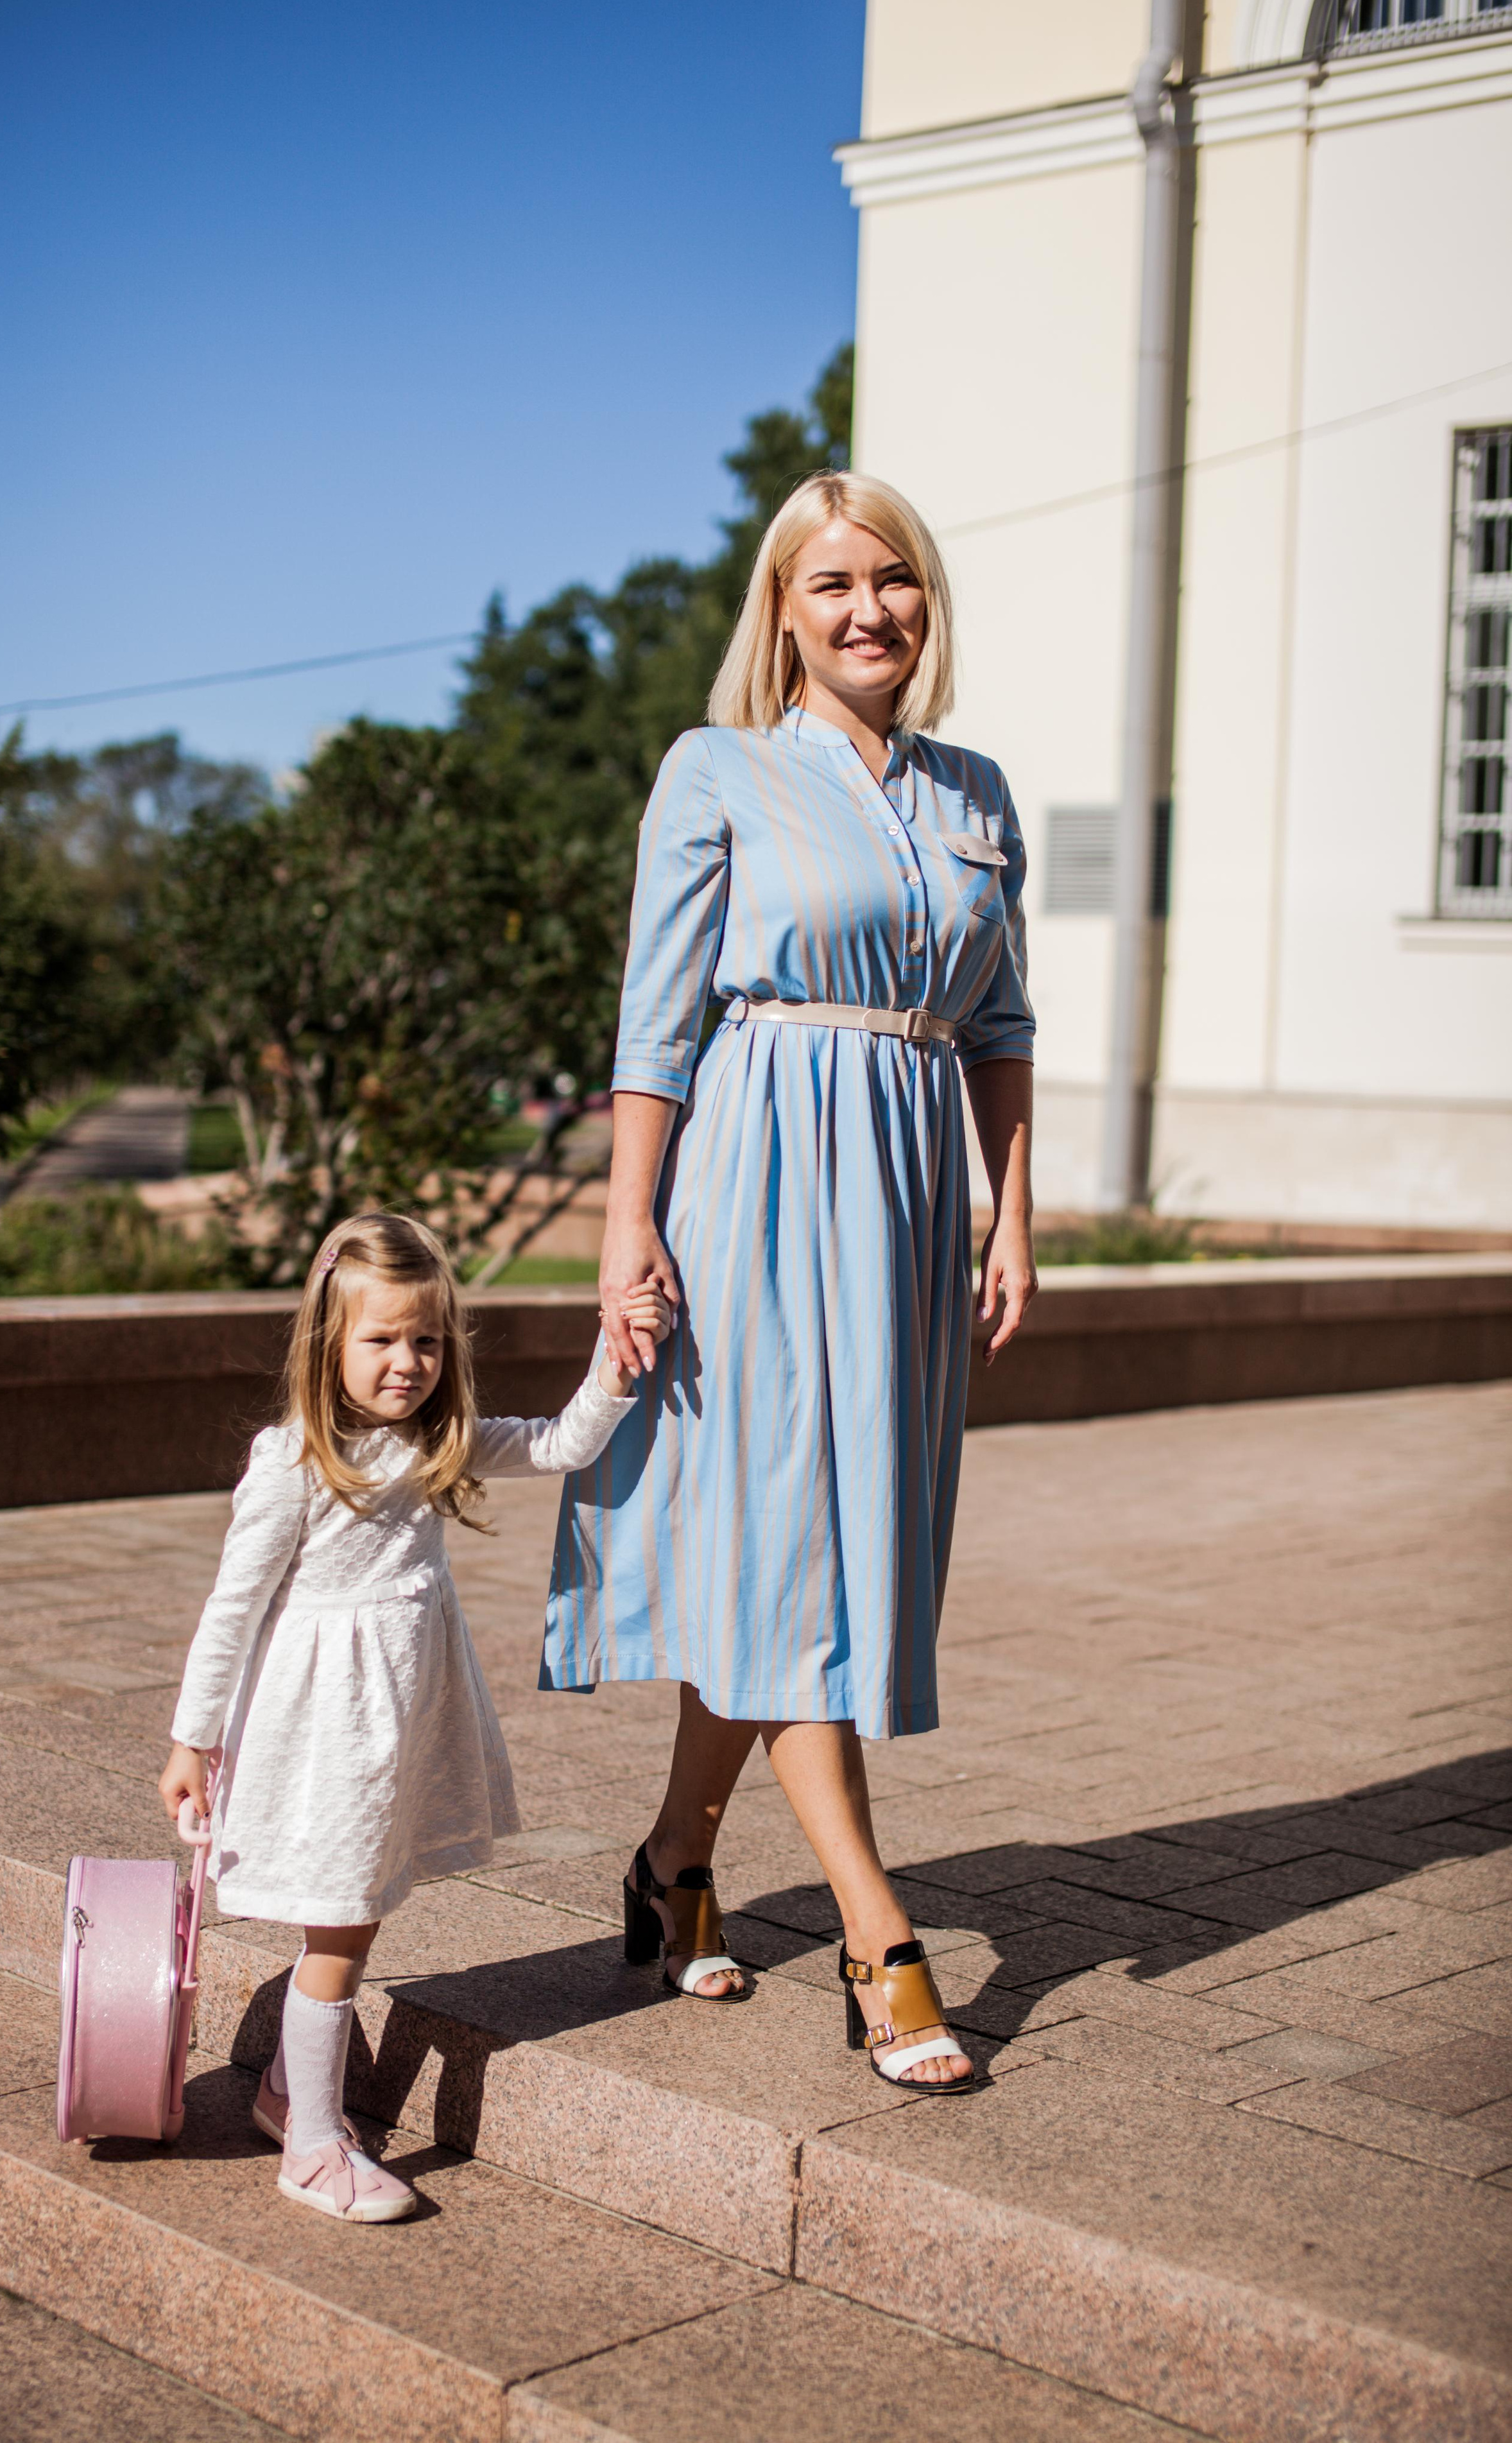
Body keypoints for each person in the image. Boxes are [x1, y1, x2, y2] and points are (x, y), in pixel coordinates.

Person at [544, 470, 1037, 2091]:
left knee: (802, 1550)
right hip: (753, 1181)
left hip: (899, 1201)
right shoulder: (719, 771)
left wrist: (1009, 1215)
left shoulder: (976, 793)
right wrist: (628, 1231)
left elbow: (1002, 1032)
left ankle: (675, 1858)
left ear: (925, 598)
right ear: (783, 614)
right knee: (796, 1553)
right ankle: (876, 1937)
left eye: (890, 579)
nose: (866, 610)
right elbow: (654, 1025)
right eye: (828, 586)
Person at [159, 1210, 669, 2221]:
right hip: (328, 1731)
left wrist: (616, 1359)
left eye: (428, 1339)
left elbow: (563, 1443)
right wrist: (192, 1736)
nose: (409, 1362)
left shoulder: (437, 1442)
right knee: (343, 1927)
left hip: (397, 1722)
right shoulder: (295, 1459)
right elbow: (233, 1607)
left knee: (362, 1906)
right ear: (329, 1344)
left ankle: (281, 2095)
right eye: (382, 1339)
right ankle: (310, 2146)